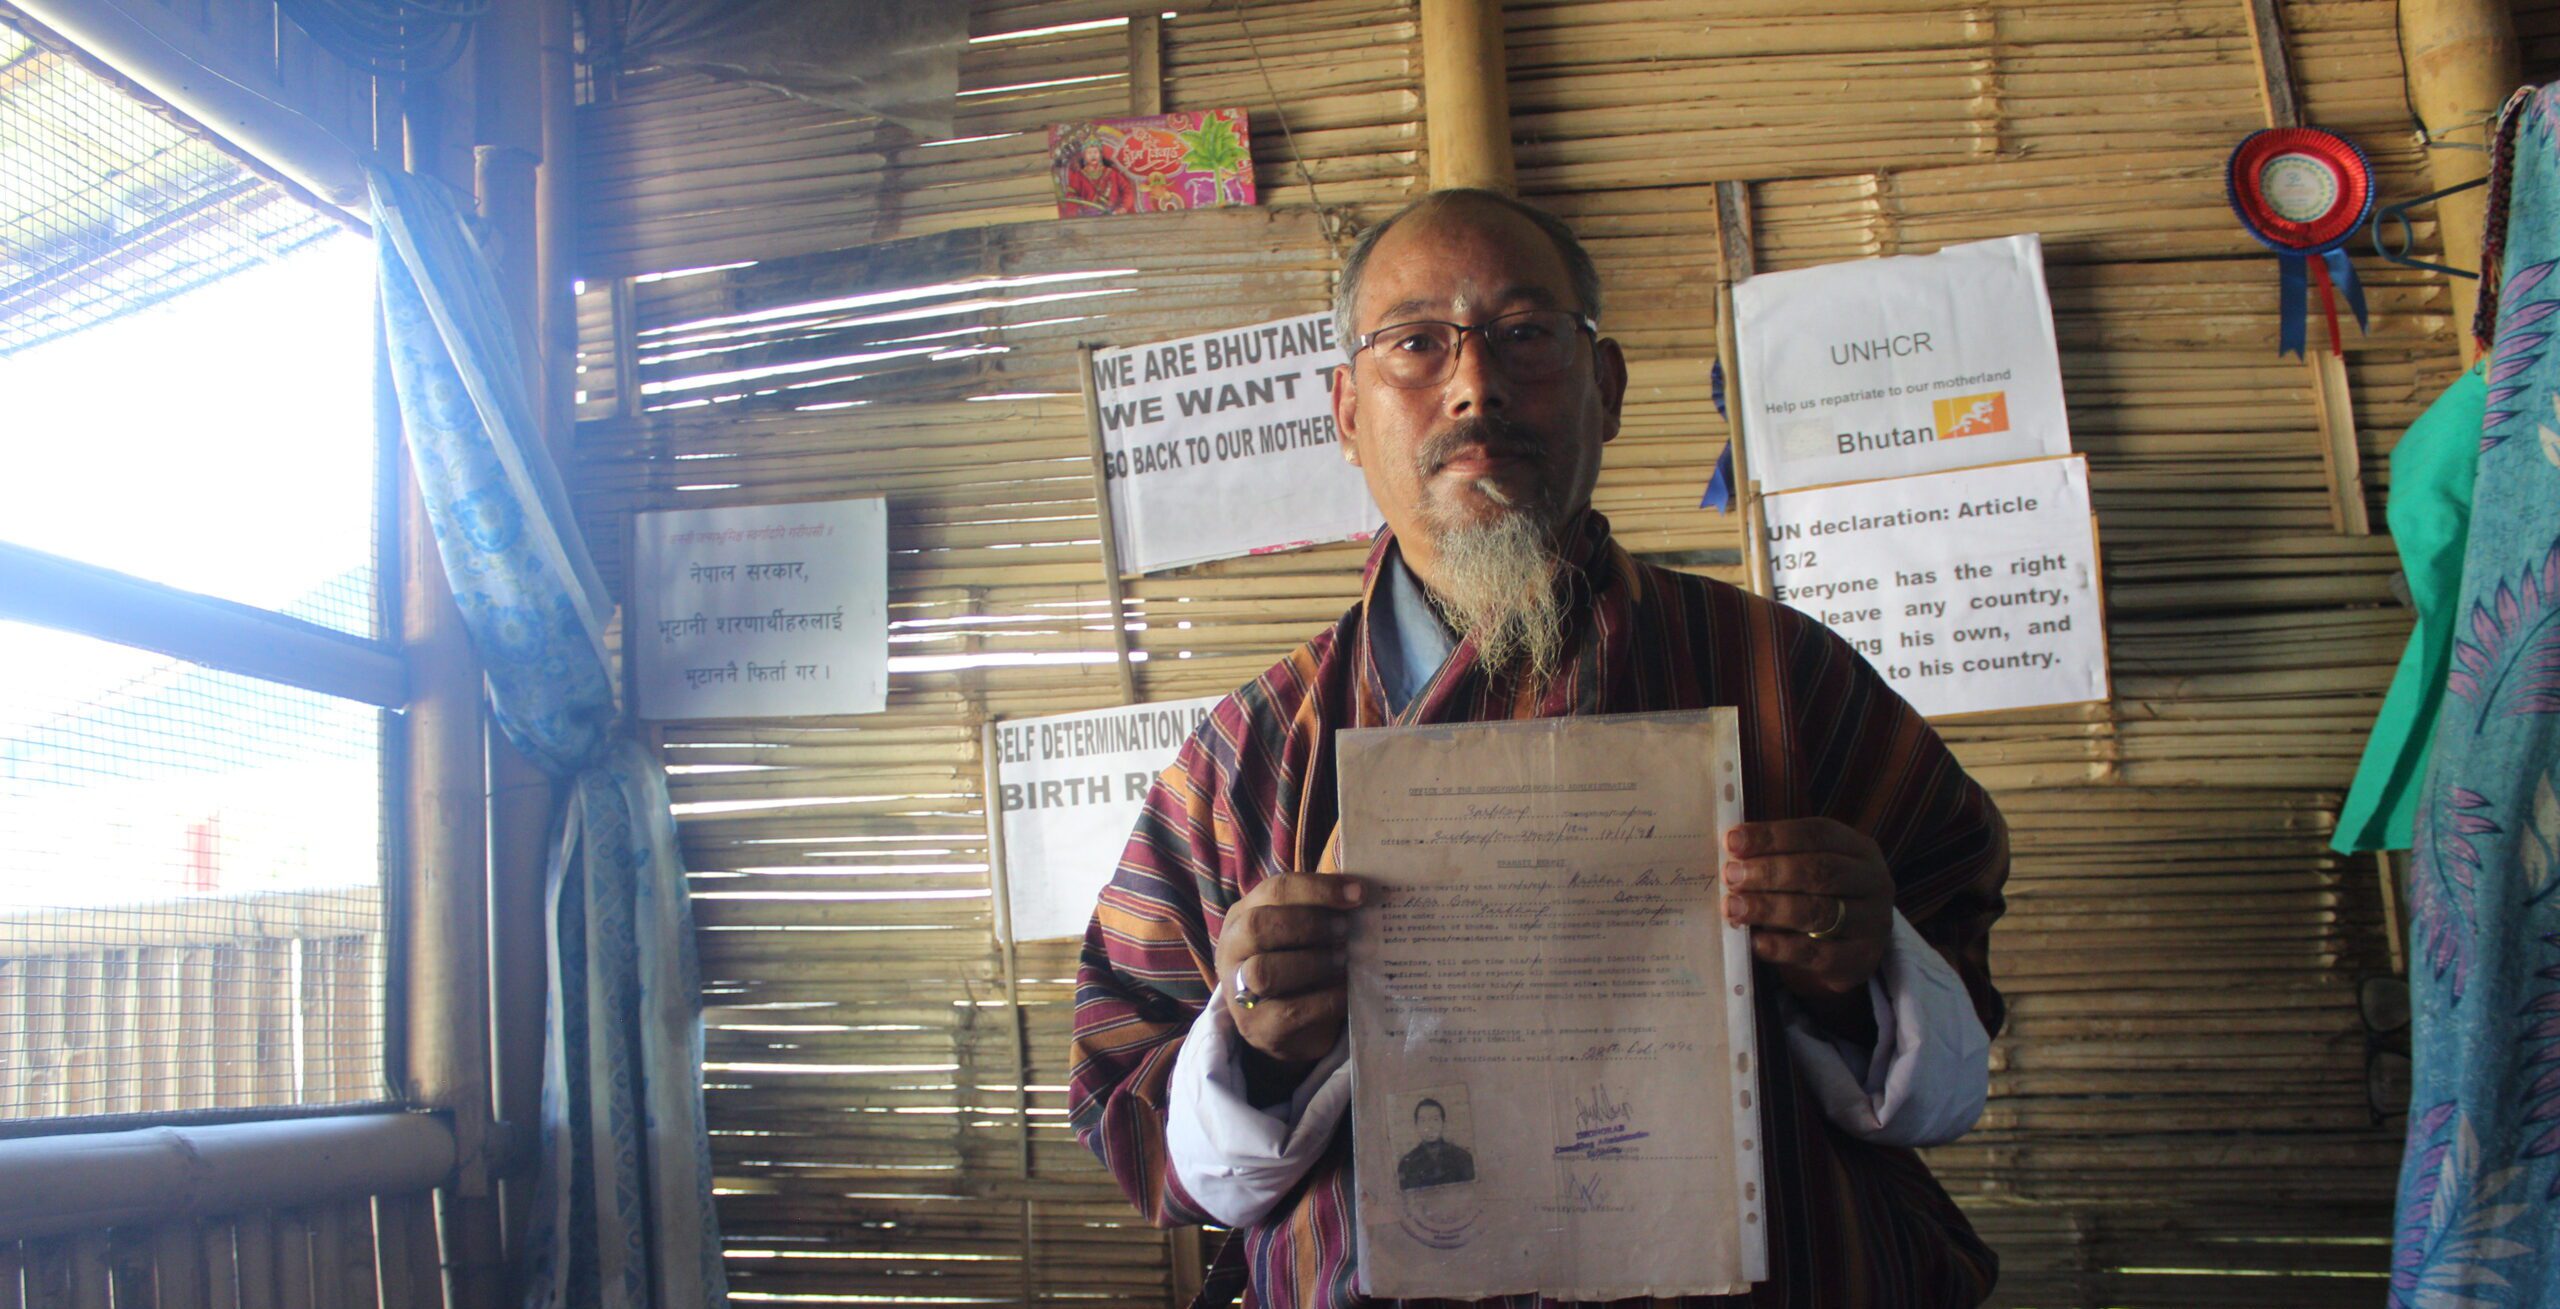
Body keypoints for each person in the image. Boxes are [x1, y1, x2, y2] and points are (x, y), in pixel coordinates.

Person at [1068, 189, 2009, 1308]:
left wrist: (1866, 971)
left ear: (1604, 388)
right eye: (1416, 344)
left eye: (1524, 335)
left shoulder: (1786, 681)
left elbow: (1955, 1035)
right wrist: (1258, 1048)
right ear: (1345, 411)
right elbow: (1136, 1114)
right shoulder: (1250, 753)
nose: (1474, 384)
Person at [1395, 1098, 1475, 1190]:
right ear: (1416, 1125)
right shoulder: (1406, 1165)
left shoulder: (1463, 1158)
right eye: (1423, 1121)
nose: (1429, 1126)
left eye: (1435, 1119)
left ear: (1443, 1123)